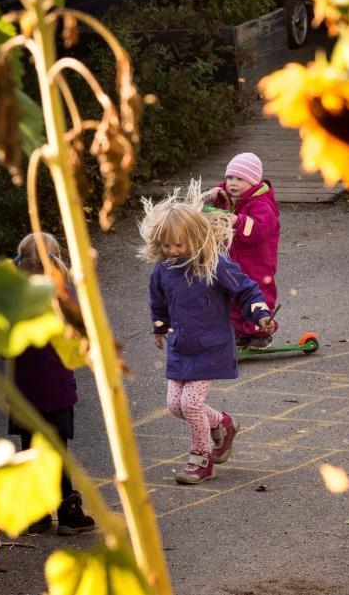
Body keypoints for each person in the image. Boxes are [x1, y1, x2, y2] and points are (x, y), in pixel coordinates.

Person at [138, 190, 275, 484]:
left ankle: (201, 459)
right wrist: (160, 327)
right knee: (176, 406)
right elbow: (158, 302)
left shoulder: (214, 265)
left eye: (179, 244)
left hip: (211, 347)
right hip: (181, 346)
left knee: (190, 405)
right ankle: (224, 423)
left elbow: (246, 289)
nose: (172, 251)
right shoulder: (162, 270)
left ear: (197, 236)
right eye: (166, 245)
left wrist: (260, 315)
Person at [11, 232, 95, 536]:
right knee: (57, 449)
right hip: (55, 388)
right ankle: (67, 511)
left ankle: (36, 513)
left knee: (31, 448)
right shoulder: (60, 295)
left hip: (22, 389)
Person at [210, 152, 280, 350]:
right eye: (229, 178)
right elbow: (219, 208)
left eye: (240, 179)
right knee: (233, 293)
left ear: (253, 181)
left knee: (259, 293)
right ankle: (240, 332)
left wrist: (239, 221)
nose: (233, 183)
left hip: (258, 260)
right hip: (233, 258)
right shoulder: (230, 196)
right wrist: (215, 196)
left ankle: (260, 332)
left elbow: (261, 229)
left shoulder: (262, 203)